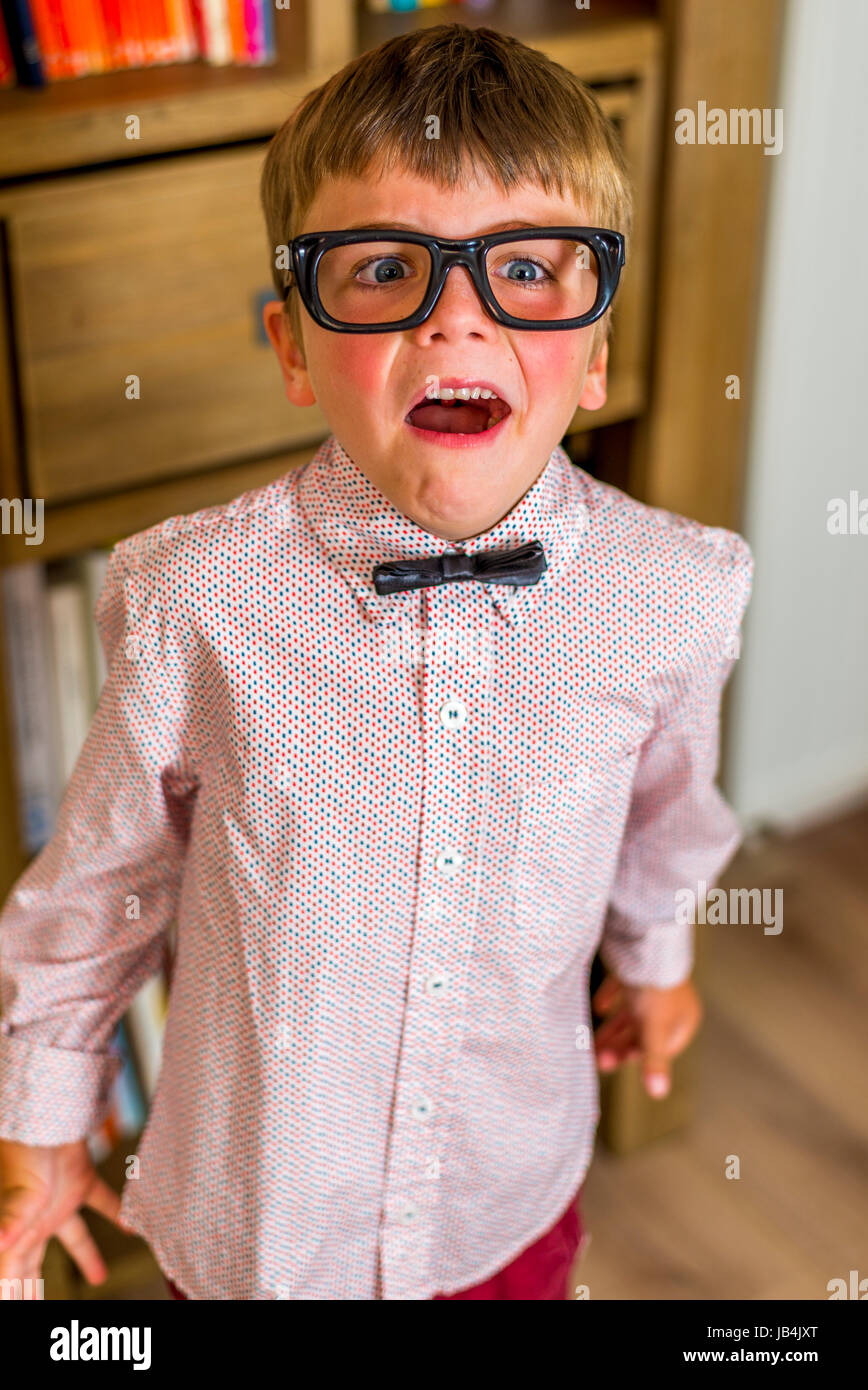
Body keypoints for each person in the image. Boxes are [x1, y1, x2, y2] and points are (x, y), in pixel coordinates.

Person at [0, 24, 752, 1301]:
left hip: (503, 1202)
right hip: (263, 1224)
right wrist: (43, 1115)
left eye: (524, 266)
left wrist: (658, 963)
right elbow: (106, 884)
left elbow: (668, 823)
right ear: (293, 346)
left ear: (600, 351)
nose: (458, 317)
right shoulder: (193, 598)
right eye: (384, 268)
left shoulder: (677, 591)